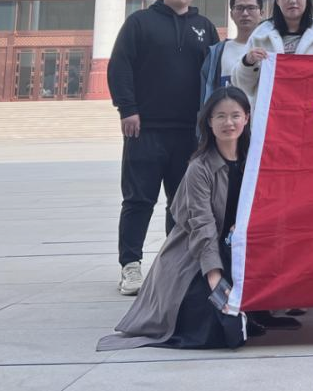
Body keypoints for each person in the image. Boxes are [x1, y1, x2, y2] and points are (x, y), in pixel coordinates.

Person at [98, 87, 296, 351]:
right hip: (197, 256)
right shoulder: (199, 168)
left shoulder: (254, 161)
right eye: (220, 116)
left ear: (247, 118)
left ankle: (258, 311)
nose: (228, 123)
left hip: (238, 250)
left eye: (235, 115)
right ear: (209, 122)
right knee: (214, 329)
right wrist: (214, 277)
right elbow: (202, 227)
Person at [108, 0, 220, 296]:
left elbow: (213, 76)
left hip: (189, 132)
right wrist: (128, 109)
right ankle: (130, 265)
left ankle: (175, 266)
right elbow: (120, 65)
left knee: (182, 204)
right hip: (145, 129)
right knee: (138, 200)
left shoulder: (204, 27)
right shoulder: (140, 22)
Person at [201, 0, 264, 102]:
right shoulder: (217, 52)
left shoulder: (270, 49)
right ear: (231, 14)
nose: (245, 13)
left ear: (261, 13)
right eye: (239, 8)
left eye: (251, 8)